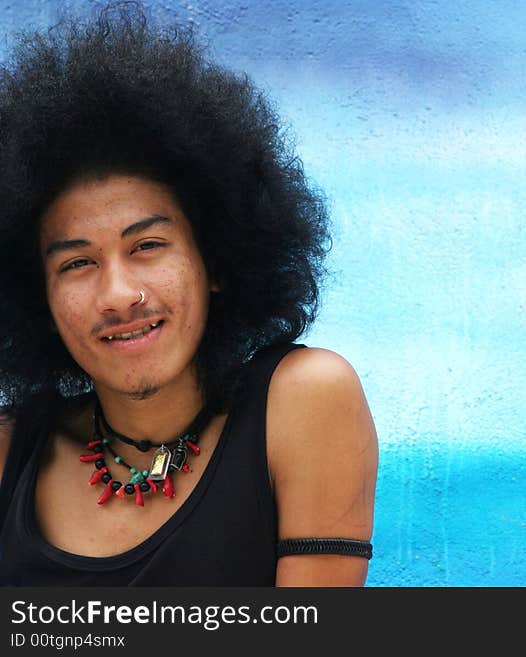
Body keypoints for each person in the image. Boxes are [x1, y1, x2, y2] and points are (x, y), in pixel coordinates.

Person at [0, 2, 378, 586]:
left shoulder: (304, 401)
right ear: (38, 301)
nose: (119, 295)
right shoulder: (12, 450)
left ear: (216, 260)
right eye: (77, 262)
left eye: (147, 245)